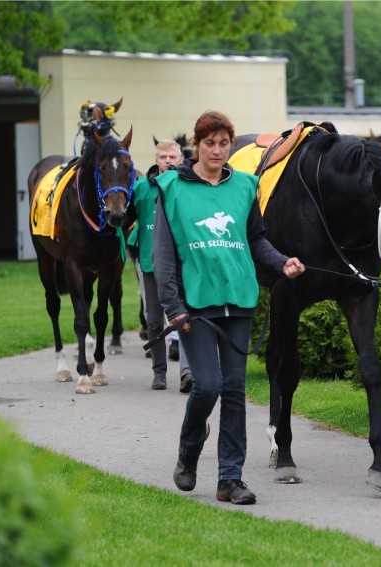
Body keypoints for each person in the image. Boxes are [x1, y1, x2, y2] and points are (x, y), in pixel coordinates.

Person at [153, 110, 305, 505]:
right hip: (195, 305)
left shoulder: (243, 187)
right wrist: (173, 307)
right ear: (196, 146)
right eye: (210, 144)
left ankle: (229, 479)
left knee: (235, 391)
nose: (218, 151)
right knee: (207, 385)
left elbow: (255, 240)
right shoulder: (171, 188)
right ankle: (189, 451)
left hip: (238, 300)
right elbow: (164, 256)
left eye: (224, 144)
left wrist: (281, 261)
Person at [128, 139, 193, 393]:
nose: (168, 161)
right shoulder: (142, 188)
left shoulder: (188, 185)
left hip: (185, 264)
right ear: (156, 160)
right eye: (163, 157)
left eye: (172, 157)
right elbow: (127, 218)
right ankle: (159, 373)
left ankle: (188, 373)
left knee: (185, 318)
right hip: (150, 264)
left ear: (180, 159)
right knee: (154, 322)